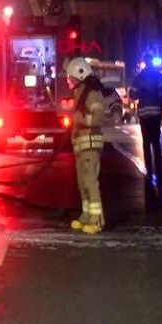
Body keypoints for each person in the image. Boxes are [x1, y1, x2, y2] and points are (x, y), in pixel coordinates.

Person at [66, 57, 105, 234]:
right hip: (82, 148)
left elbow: (97, 117)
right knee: (82, 183)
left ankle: (97, 220)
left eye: (70, 77)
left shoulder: (91, 94)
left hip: (90, 146)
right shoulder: (80, 93)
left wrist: (79, 119)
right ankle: (87, 215)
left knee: (90, 182)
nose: (69, 81)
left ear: (79, 75)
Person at [129, 55, 162, 187]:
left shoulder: (139, 77)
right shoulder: (158, 76)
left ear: (144, 63)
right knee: (156, 143)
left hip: (144, 114)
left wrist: (141, 93)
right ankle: (159, 172)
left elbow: (132, 94)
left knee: (146, 144)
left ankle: (149, 171)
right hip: (156, 113)